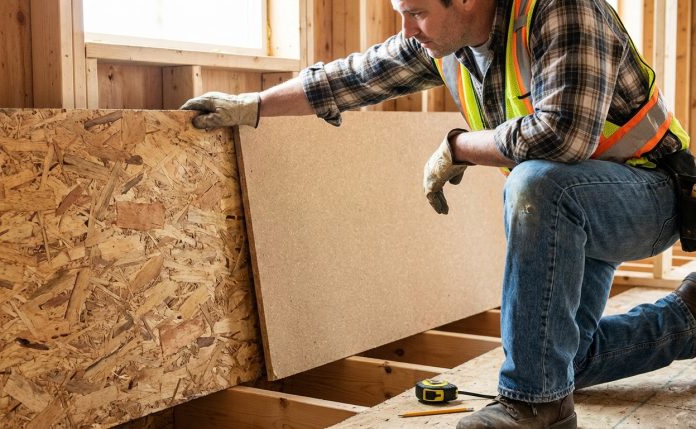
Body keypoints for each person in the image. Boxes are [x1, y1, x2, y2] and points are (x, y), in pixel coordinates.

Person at [182, 0, 696, 427]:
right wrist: (253, 104)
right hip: (580, 205)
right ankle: (687, 321)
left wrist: (459, 147)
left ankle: (534, 406)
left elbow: (562, 136)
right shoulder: (448, 40)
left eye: (418, 13)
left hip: (651, 194)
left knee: (538, 182)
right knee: (565, 359)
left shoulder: (562, 10)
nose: (407, 29)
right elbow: (349, 79)